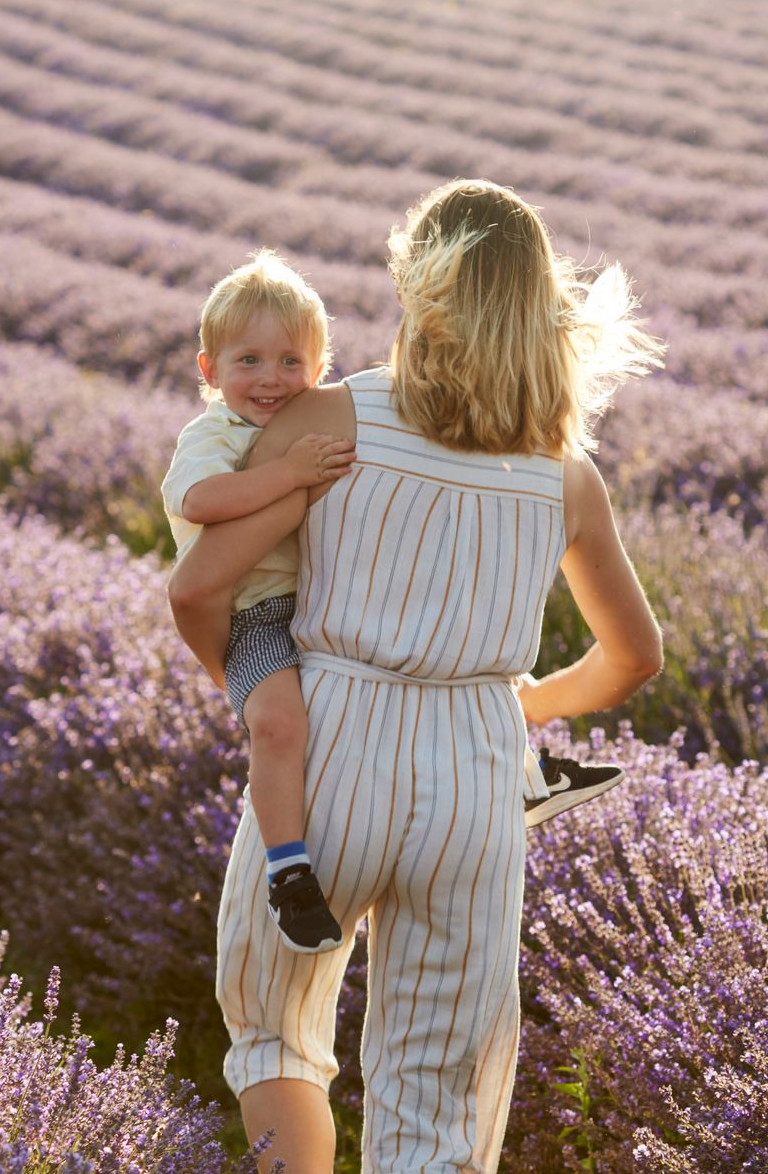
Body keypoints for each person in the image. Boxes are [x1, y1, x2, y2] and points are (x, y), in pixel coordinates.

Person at [168, 179, 664, 1173]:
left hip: (330, 745)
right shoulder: (563, 473)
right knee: (436, 1088)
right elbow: (634, 658)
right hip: (475, 777)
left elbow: (199, 587)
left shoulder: (331, 415)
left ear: (419, 294)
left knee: (275, 1033)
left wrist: (261, 697)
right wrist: (519, 703)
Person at [161, 250, 356, 953]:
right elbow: (203, 500)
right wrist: (290, 473)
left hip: (326, 600)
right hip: (258, 618)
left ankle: (515, 765)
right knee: (278, 725)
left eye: (289, 361)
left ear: (320, 366)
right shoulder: (212, 436)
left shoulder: (315, 420)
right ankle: (288, 871)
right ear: (209, 371)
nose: (270, 379)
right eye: (247, 360)